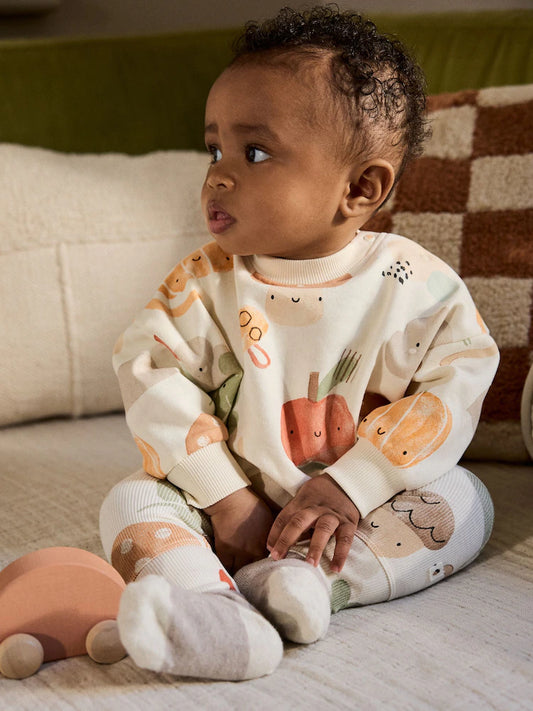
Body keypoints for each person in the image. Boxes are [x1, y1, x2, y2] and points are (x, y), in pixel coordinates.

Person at [99, 6, 499, 681]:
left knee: (465, 501)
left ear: (360, 188)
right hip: (229, 508)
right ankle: (211, 611)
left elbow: (455, 384)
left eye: (254, 153)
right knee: (130, 500)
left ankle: (310, 585)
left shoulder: (415, 286)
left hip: (362, 510)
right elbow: (151, 374)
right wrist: (224, 497)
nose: (218, 175)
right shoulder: (201, 285)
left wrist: (355, 483)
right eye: (214, 149)